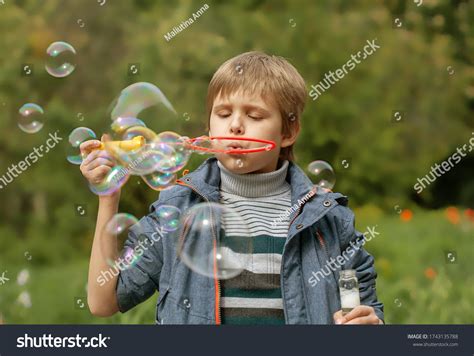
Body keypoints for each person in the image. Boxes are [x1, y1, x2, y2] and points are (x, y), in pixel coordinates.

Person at [80, 51, 384, 325]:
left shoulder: (329, 220)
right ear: (210, 128)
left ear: (288, 131)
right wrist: (109, 195)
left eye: (254, 115)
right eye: (223, 114)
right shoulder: (177, 211)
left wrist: (372, 323)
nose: (235, 125)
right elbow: (103, 300)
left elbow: (367, 309)